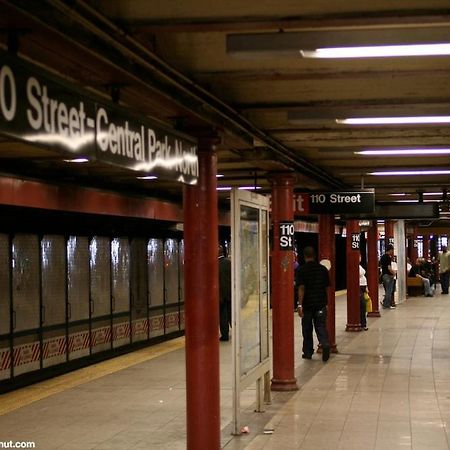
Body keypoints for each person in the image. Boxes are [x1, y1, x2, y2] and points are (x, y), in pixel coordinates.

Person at [296, 246, 330, 362]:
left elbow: (301, 288)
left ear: (304, 256)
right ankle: (324, 343)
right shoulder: (323, 269)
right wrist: (326, 303)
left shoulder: (301, 270)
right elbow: (326, 288)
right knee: (320, 326)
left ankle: (307, 352)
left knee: (307, 328)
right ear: (315, 256)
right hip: (320, 303)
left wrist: (300, 305)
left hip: (307, 305)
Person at [218, 245, 232, 341]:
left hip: (220, 294)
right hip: (230, 293)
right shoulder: (228, 262)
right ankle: (235, 329)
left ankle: (225, 334)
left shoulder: (215, 264)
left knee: (223, 315)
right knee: (230, 312)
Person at [379, 244, 396, 309]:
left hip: (383, 275)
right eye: (392, 250)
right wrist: (393, 273)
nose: (392, 251)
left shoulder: (382, 257)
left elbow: (382, 266)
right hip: (388, 276)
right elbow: (389, 268)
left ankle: (384, 302)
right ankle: (387, 304)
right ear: (390, 250)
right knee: (389, 290)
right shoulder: (388, 257)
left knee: (387, 290)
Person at [359, 261, 368, 330]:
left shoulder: (360, 265)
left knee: (363, 306)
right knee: (362, 305)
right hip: (359, 287)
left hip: (363, 287)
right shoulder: (355, 265)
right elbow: (359, 274)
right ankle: (362, 323)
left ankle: (363, 323)